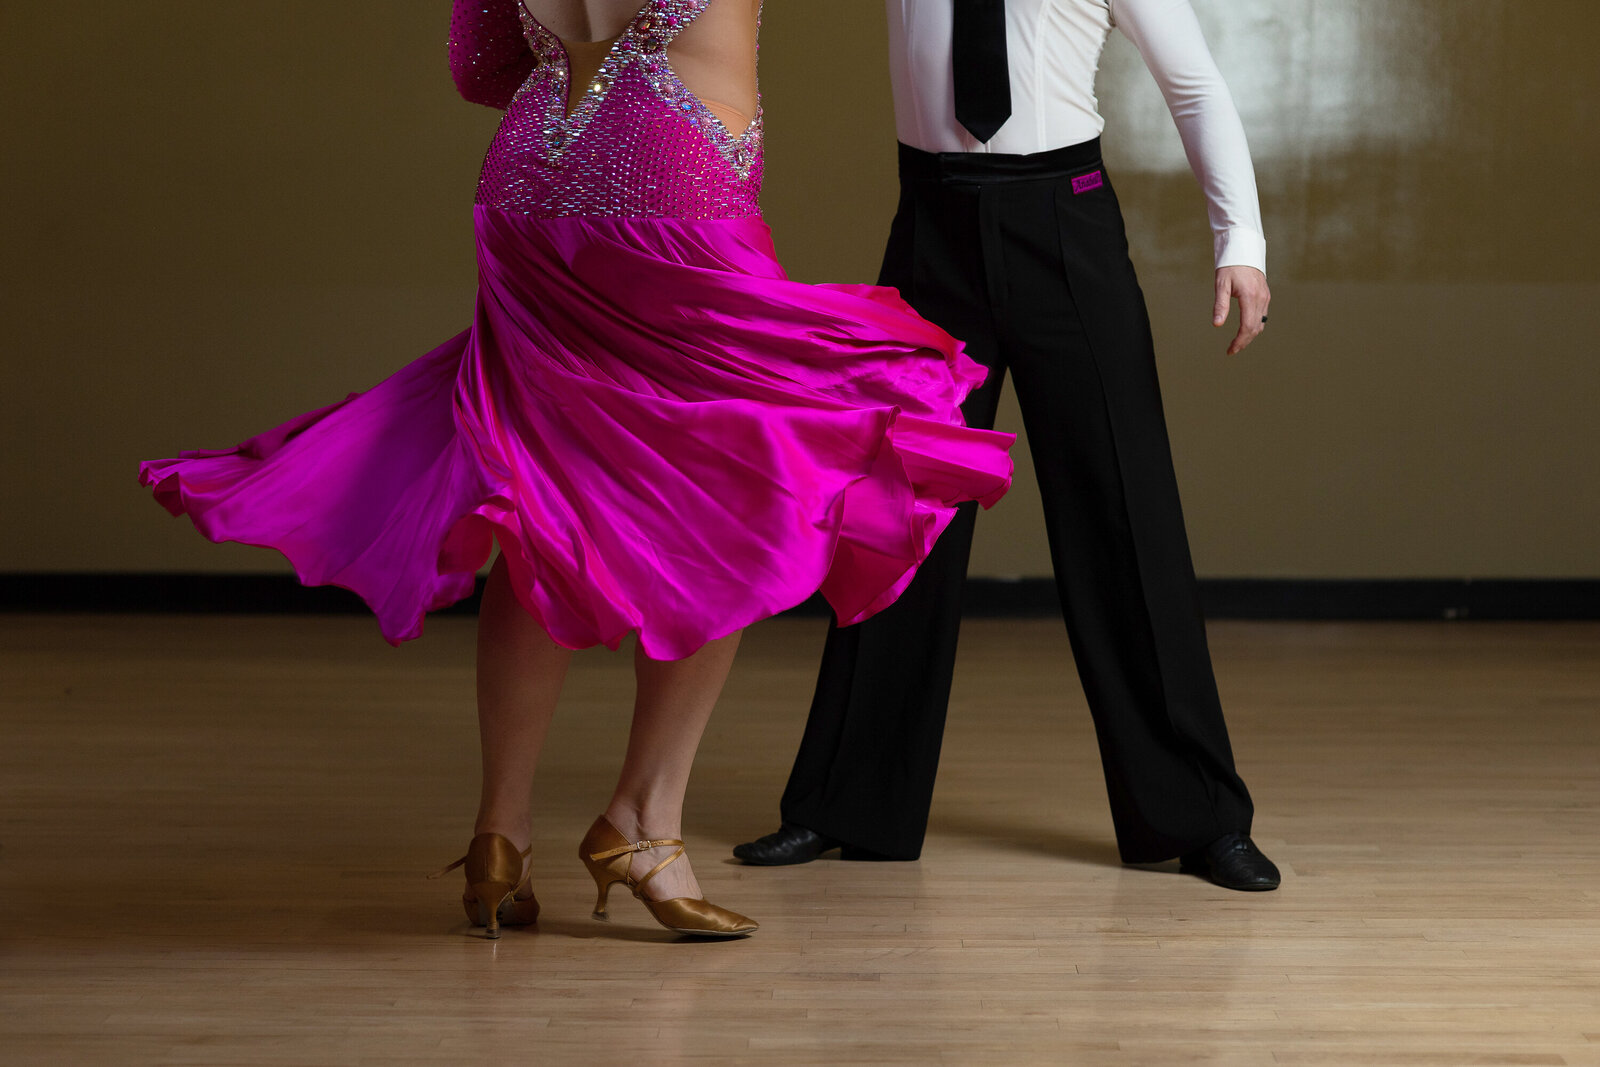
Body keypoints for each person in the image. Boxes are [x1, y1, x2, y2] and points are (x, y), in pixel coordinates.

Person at [139, 0, 1013, 940]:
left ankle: (499, 837)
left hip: (531, 185)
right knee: (746, 501)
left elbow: (481, 67)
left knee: (539, 498)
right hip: (673, 193)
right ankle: (644, 821)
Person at [733, 0, 1281, 891]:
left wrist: (1241, 242)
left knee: (1124, 516)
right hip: (931, 231)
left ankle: (1202, 818)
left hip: (1065, 225)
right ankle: (844, 804)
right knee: (892, 521)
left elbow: (1194, 84)